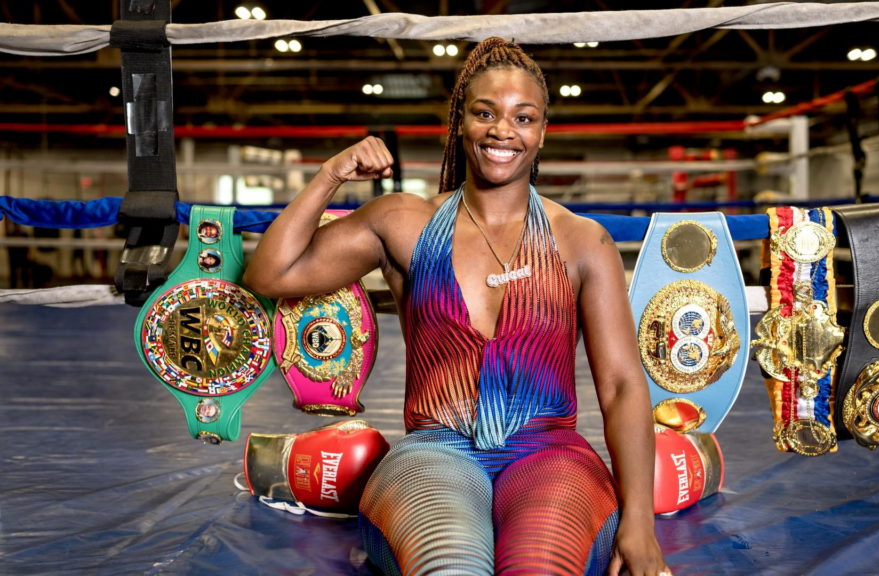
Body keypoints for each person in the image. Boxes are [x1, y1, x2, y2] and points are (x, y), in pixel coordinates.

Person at [246, 37, 668, 576]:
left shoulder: (582, 241)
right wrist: (332, 174)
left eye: (524, 117)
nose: (502, 130)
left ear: (541, 132)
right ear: (460, 121)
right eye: (484, 113)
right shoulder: (404, 222)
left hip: (550, 453)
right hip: (433, 453)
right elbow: (270, 274)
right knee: (452, 568)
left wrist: (640, 522)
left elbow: (622, 386)